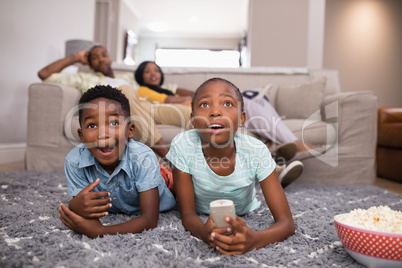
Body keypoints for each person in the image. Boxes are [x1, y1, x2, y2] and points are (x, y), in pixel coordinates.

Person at [166, 77, 295, 255]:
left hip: (246, 208)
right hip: (200, 210)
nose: (215, 111)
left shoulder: (256, 150)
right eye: (204, 105)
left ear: (242, 119)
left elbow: (287, 224)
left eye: (227, 103)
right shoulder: (182, 145)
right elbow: (188, 214)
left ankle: (275, 169)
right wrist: (204, 232)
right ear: (193, 120)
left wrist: (254, 240)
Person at [134, 61, 305, 185]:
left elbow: (196, 93)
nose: (153, 73)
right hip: (179, 111)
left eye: (156, 70)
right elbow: (173, 99)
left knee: (239, 116)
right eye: (147, 71)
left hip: (197, 110)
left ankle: (269, 153)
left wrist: (202, 98)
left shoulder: (171, 87)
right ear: (140, 76)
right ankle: (273, 166)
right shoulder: (142, 90)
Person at [58, 85, 176, 238]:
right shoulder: (74, 161)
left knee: (180, 183)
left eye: (113, 123)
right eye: (92, 125)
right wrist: (75, 205)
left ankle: (164, 172)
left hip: (163, 183)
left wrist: (100, 231)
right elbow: (81, 205)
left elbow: (149, 219)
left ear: (130, 130)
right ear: (81, 136)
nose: (103, 134)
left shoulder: (143, 158)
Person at [38, 45, 191, 158]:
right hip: (117, 109)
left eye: (103, 55)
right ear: (90, 64)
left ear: (109, 58)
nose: (100, 59)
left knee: (189, 114)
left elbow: (165, 88)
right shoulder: (85, 78)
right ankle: (169, 159)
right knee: (125, 90)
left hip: (146, 106)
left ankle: (212, 157)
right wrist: (76, 58)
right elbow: (44, 73)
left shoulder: (129, 78)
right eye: (94, 58)